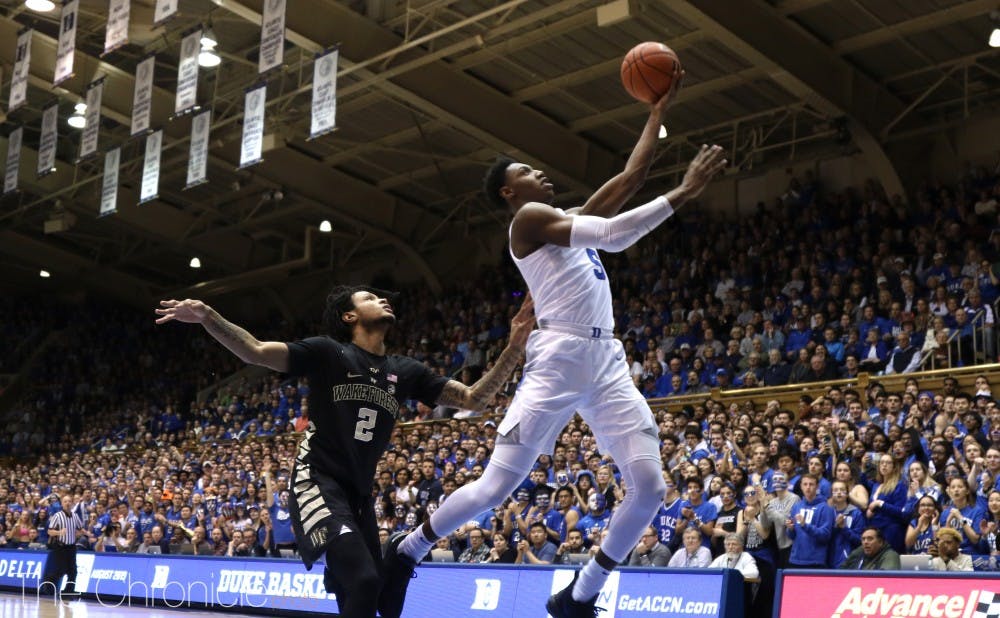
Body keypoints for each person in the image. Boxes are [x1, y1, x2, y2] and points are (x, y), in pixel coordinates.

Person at [387, 94, 727, 617]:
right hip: (559, 357)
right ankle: (406, 550)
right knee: (496, 487)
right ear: (508, 191)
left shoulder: (564, 225)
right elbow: (615, 235)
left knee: (651, 487)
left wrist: (656, 112)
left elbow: (629, 181)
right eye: (527, 170)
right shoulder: (527, 218)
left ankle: (580, 594)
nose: (540, 172)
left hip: (605, 359)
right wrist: (686, 190)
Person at [155, 288, 534, 618]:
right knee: (364, 581)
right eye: (370, 297)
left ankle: (397, 554)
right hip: (317, 478)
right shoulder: (327, 352)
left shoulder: (405, 370)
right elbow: (253, 351)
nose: (382, 299)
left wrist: (514, 346)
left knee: (379, 600)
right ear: (349, 316)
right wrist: (207, 316)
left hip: (359, 494)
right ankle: (383, 561)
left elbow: (474, 398)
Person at [40, 493, 85, 598]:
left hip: (72, 547)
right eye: (65, 501)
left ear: (72, 503)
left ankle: (68, 592)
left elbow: (80, 529)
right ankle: (47, 583)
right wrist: (59, 532)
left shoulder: (75, 516)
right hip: (60, 546)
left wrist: (86, 533)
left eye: (69, 501)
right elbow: (50, 531)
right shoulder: (57, 516)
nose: (67, 503)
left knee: (73, 571)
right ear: (62, 504)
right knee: (60, 570)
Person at [786, 474, 835, 568]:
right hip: (796, 559)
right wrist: (790, 529)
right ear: (801, 486)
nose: (808, 487)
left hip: (815, 560)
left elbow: (825, 535)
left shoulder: (825, 508)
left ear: (817, 486)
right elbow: (792, 536)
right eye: (805, 484)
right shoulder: (797, 506)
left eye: (811, 484)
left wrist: (806, 526)